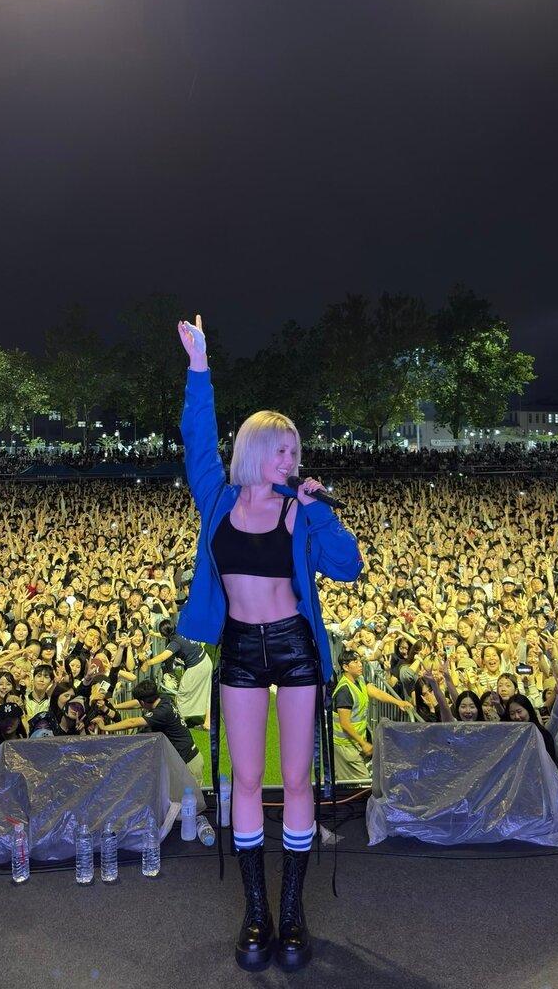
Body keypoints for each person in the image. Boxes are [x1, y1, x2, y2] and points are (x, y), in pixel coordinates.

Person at [176, 314, 362, 972]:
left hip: (293, 646)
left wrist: (318, 509)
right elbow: (197, 439)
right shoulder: (217, 498)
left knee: (299, 780)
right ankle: (255, 913)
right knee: (248, 779)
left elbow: (348, 567)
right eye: (282, 450)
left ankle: (292, 913)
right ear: (255, 450)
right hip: (238, 650)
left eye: (295, 451)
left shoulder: (298, 510)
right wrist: (200, 369)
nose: (292, 460)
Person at [96, 677, 204, 783]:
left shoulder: (161, 713)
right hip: (183, 758)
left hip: (188, 762)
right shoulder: (163, 698)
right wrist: (114, 706)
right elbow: (136, 703)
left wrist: (105, 727)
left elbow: (132, 723)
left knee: (189, 794)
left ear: (143, 702)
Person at [332, 650, 413, 780]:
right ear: (345, 667)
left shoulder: (359, 680)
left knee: (351, 780)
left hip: (354, 743)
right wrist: (363, 743)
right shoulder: (344, 691)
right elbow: (345, 724)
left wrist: (398, 702)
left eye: (360, 661)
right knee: (361, 781)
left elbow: (376, 692)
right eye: (355, 662)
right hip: (345, 745)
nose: (360, 665)